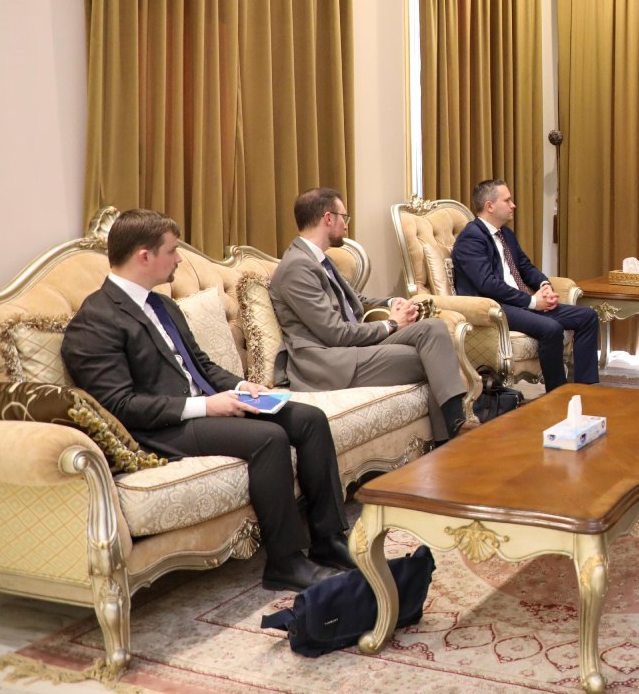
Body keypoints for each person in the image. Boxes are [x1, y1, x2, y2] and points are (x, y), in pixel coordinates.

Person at [62, 209, 350, 592]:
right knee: (269, 439)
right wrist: (206, 406)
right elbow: (120, 406)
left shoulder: (162, 305)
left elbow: (201, 365)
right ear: (144, 256)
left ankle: (329, 540)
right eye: (172, 251)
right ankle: (286, 562)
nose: (179, 260)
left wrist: (242, 386)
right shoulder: (95, 320)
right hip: (161, 429)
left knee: (309, 419)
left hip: (203, 410)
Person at [269, 188, 475, 443]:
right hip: (327, 361)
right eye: (344, 217)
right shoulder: (297, 267)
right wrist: (391, 324)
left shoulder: (318, 259)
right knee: (429, 357)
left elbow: (354, 301)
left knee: (433, 329)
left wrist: (391, 302)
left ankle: (454, 429)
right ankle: (453, 436)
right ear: (328, 218)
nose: (346, 225)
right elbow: (334, 333)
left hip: (351, 347)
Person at [451, 179, 600, 392]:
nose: (513, 205)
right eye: (507, 200)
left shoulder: (506, 234)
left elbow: (525, 267)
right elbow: (487, 284)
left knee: (587, 317)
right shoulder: (471, 237)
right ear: (489, 206)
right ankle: (558, 394)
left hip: (520, 302)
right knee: (551, 328)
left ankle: (586, 389)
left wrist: (544, 286)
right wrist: (532, 301)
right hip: (496, 307)